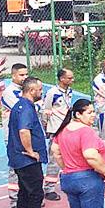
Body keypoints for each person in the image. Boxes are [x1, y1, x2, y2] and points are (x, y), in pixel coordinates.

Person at [7, 77, 59, 208]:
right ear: (31, 91)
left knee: (24, 193)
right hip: (26, 159)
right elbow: (24, 131)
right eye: (39, 89)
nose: (41, 92)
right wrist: (30, 151)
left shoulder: (20, 106)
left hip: (18, 158)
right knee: (35, 194)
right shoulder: (26, 108)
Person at [40, 68, 75, 201]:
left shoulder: (69, 91)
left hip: (66, 128)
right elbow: (46, 111)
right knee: (54, 159)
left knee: (69, 156)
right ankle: (49, 189)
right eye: (69, 78)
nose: (72, 80)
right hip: (55, 129)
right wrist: (47, 128)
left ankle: (69, 181)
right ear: (62, 79)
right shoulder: (52, 93)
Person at [1, 63, 29, 208]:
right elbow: (22, 110)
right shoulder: (9, 93)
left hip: (26, 134)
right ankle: (14, 201)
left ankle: (27, 197)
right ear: (13, 76)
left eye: (26, 74)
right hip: (13, 136)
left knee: (28, 166)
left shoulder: (26, 91)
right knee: (15, 167)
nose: (24, 77)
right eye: (21, 75)